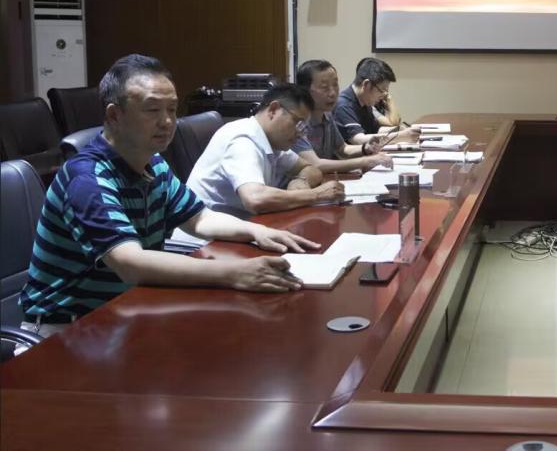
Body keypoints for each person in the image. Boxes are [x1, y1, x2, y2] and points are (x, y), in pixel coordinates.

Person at [18, 55, 318, 335]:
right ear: (114, 115)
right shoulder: (87, 178)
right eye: (152, 110)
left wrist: (257, 231)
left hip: (125, 311)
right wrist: (234, 273)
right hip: (66, 328)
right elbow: (130, 263)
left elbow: (199, 219)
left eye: (172, 109)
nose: (167, 121)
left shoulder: (153, 163)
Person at [187, 84, 345, 219]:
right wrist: (317, 194)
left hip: (241, 226)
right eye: (297, 123)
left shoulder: (272, 141)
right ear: (274, 110)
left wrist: (300, 181)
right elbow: (256, 199)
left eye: (304, 127)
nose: (300, 133)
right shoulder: (243, 140)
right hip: (204, 239)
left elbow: (310, 169)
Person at [294, 59, 393, 173]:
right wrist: (366, 161)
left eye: (335, 85)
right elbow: (315, 164)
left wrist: (365, 148)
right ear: (305, 90)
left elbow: (342, 149)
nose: (333, 93)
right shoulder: (297, 122)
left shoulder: (327, 115)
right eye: (324, 87)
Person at [334, 57, 420, 145]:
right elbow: (359, 140)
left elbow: (376, 130)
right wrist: (400, 136)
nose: (383, 96)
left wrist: (398, 129)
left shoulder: (365, 103)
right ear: (366, 85)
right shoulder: (343, 105)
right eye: (382, 90)